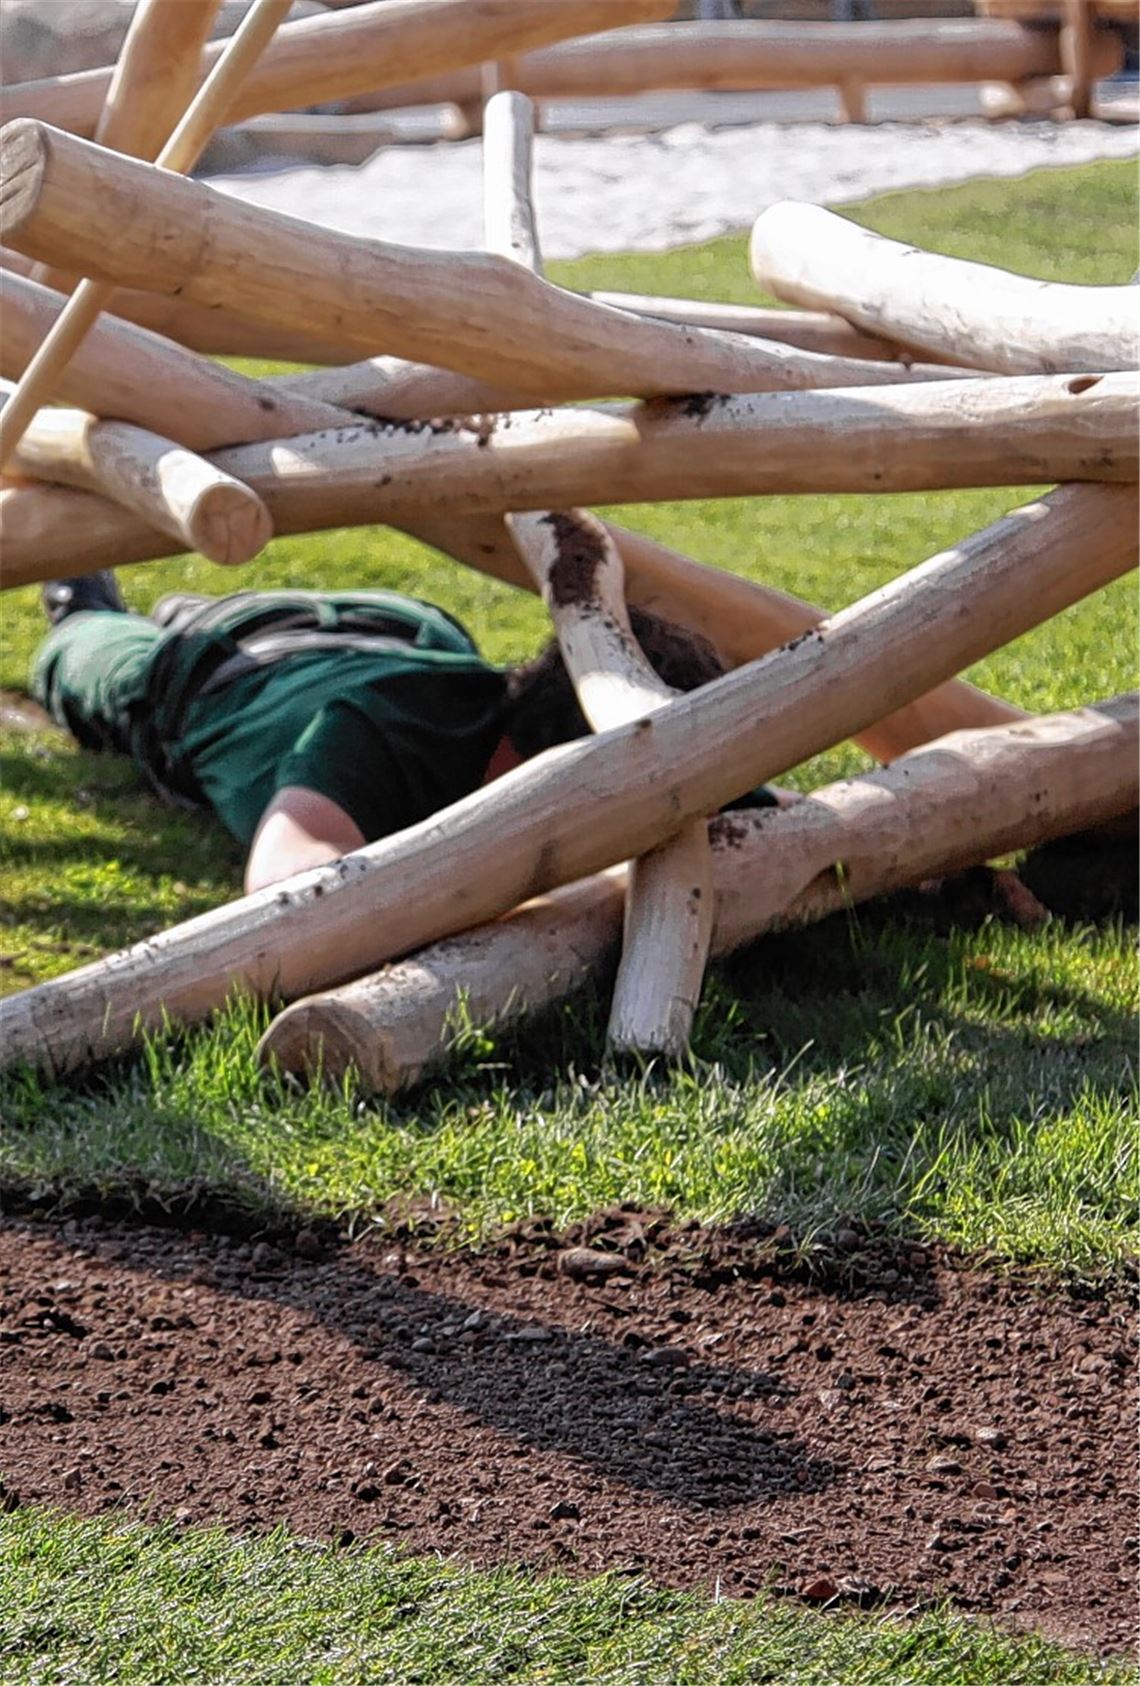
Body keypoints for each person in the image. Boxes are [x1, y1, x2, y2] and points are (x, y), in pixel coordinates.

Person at [33, 571, 778, 895]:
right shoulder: (366, 732)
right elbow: (292, 881)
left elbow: (780, 816)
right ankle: (99, 603)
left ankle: (201, 601)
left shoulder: (651, 751)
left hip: (405, 628)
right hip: (217, 665)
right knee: (78, 652)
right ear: (540, 762)